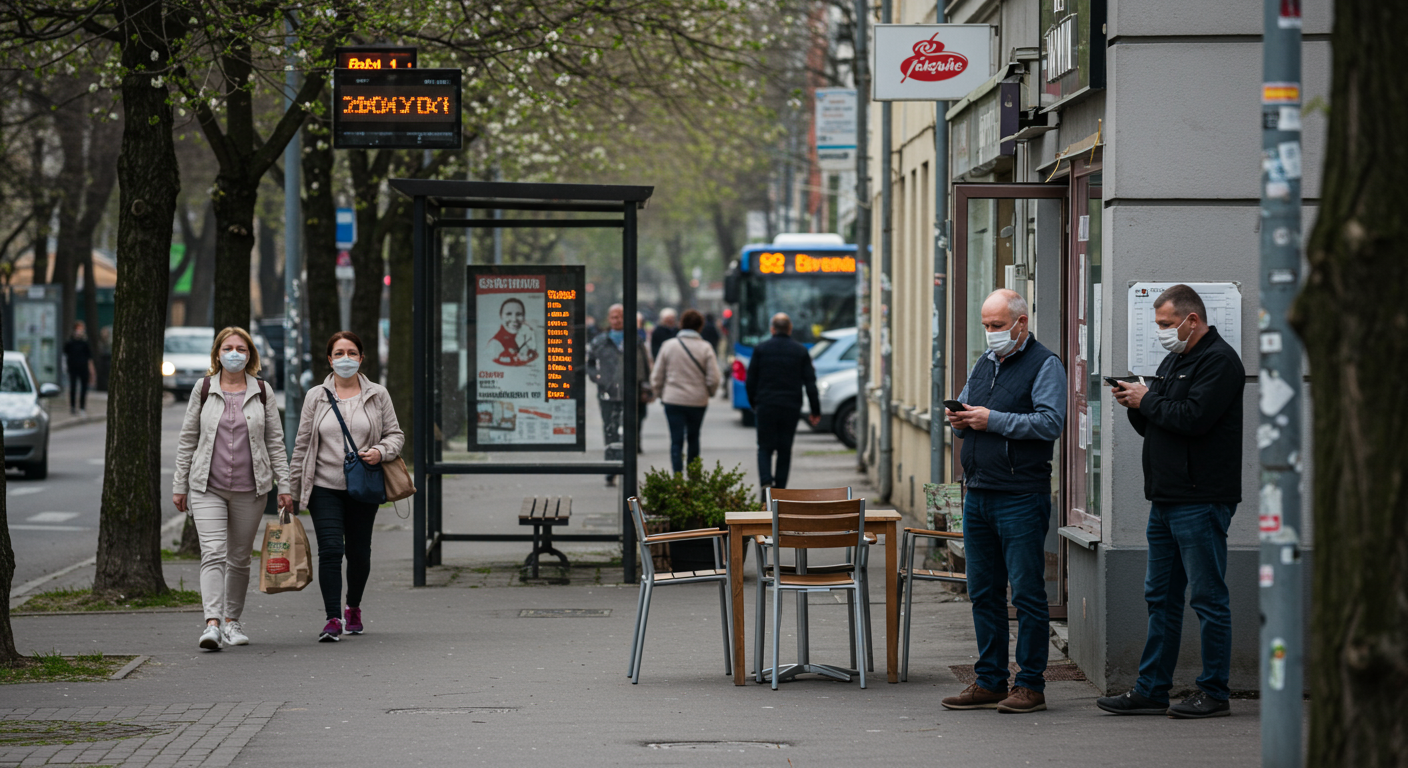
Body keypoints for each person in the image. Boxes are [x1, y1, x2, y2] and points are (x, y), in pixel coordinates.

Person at [1097, 284, 1244, 719]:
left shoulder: (1219, 361)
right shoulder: (1175, 358)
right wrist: (1135, 404)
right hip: (1166, 497)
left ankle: (1214, 691)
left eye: (1165, 324)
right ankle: (1152, 688)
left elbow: (1194, 420)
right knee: (1160, 596)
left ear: (1191, 320)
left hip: (1201, 498)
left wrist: (1150, 400)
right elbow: (1161, 425)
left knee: (1207, 597)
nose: (1161, 331)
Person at [941, 289, 1066, 715]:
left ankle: (1030, 684)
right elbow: (968, 419)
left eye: (997, 326)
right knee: (984, 592)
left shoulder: (1045, 364)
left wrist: (990, 420)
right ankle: (990, 680)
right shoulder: (983, 363)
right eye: (986, 325)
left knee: (1028, 594)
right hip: (978, 492)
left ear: (1021, 323)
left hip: (1019, 496)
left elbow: (1050, 422)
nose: (990, 333)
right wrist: (960, 420)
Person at [172, 326, 292, 651]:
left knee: (239, 558)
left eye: (241, 348)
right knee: (213, 553)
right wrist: (179, 484)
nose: (234, 353)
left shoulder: (262, 391)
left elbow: (275, 443)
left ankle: (231, 621)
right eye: (228, 348)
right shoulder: (204, 388)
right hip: (206, 486)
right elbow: (188, 440)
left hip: (250, 490)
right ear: (218, 354)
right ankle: (212, 624)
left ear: (250, 354)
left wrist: (285, 485)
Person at [289, 331, 405, 643]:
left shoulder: (377, 394)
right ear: (329, 359)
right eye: (339, 353)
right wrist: (292, 489)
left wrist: (381, 451)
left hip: (363, 484)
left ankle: (353, 606)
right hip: (324, 486)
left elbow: (395, 434)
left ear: (361, 358)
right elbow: (302, 445)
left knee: (358, 553)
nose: (345, 359)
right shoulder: (315, 396)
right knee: (330, 550)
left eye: (352, 353)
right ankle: (332, 618)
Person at [744, 313, 820, 489]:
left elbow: (750, 381)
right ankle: (780, 491)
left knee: (764, 447)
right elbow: (810, 383)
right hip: (790, 407)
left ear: (772, 329)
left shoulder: (760, 349)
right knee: (785, 449)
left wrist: (754, 403)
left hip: (765, 405)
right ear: (790, 329)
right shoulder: (800, 351)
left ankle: (765, 483)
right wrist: (815, 410)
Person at [586, 303, 651, 486]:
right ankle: (611, 468)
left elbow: (644, 365)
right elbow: (590, 364)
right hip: (607, 393)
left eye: (620, 316)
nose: (617, 320)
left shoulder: (635, 340)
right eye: (614, 317)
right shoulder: (600, 341)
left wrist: (645, 387)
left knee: (630, 431)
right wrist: (597, 379)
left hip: (631, 392)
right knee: (610, 430)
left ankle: (626, 467)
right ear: (609, 319)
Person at [650, 309, 721, 473]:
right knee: (694, 437)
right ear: (700, 326)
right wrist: (708, 392)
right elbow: (714, 378)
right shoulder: (706, 348)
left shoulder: (668, 346)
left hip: (673, 400)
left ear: (681, 324)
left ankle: (677, 477)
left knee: (676, 440)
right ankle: (694, 476)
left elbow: (657, 375)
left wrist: (660, 393)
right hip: (697, 400)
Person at [486, 298, 538, 366]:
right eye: (508, 314)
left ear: (524, 317)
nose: (514, 319)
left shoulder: (528, 335)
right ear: (501, 316)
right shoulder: (495, 344)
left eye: (519, 314)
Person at [62, 321, 96, 416]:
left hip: (83, 368)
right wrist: (65, 367)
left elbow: (89, 358)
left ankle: (82, 407)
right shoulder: (70, 343)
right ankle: (73, 407)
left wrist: (91, 370)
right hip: (73, 368)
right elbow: (65, 356)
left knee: (83, 389)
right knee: (73, 387)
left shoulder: (85, 343)